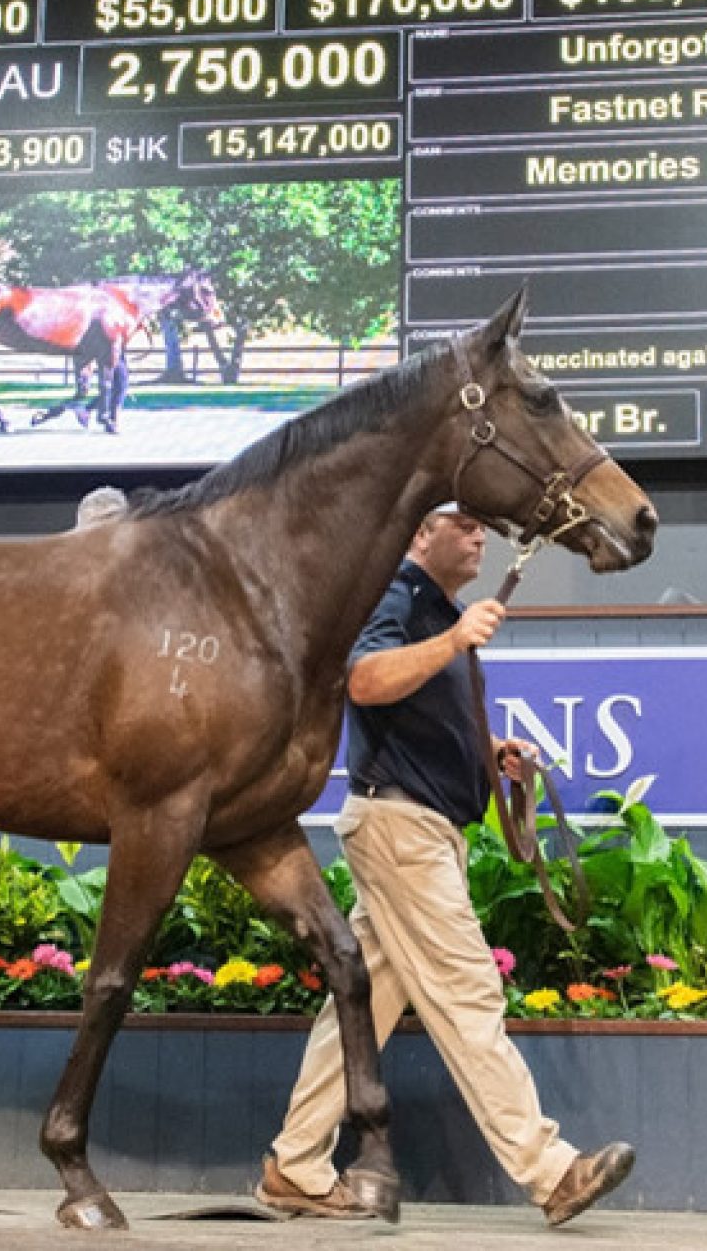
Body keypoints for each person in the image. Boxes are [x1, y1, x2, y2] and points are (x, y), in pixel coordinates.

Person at [256, 503, 635, 1228]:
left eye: (480, 525)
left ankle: (294, 1165)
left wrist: (493, 756)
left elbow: (421, 715)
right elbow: (363, 679)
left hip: (415, 827)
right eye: (460, 521)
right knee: (468, 994)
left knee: (359, 1012)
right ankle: (550, 1169)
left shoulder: (434, 608)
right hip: (402, 828)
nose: (478, 532)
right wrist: (456, 638)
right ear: (417, 534)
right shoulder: (394, 594)